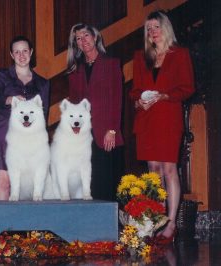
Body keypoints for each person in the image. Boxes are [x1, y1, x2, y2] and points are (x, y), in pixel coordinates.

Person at [130, 11, 195, 239]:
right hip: (147, 118)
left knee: (169, 170)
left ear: (165, 28)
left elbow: (187, 87)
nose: (152, 32)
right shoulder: (140, 56)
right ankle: (154, 220)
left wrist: (164, 96)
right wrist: (139, 100)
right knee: (153, 172)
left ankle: (171, 223)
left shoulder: (180, 54)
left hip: (168, 117)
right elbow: (135, 89)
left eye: (155, 27)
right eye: (148, 29)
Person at [66, 23, 124, 202]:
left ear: (95, 37)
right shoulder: (75, 70)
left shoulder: (112, 64)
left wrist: (112, 129)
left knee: (105, 183)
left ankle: (107, 227)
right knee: (86, 184)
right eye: (78, 38)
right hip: (83, 135)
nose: (83, 41)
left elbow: (117, 100)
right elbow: (74, 103)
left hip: (106, 133)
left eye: (86, 36)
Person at [0, 36, 50, 200]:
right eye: (17, 51)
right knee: (4, 181)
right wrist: (8, 99)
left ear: (31, 52)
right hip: (3, 130)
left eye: (25, 51)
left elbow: (43, 116)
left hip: (30, 138)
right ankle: (0, 225)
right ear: (11, 54)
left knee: (27, 184)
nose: (21, 55)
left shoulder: (43, 84)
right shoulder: (2, 75)